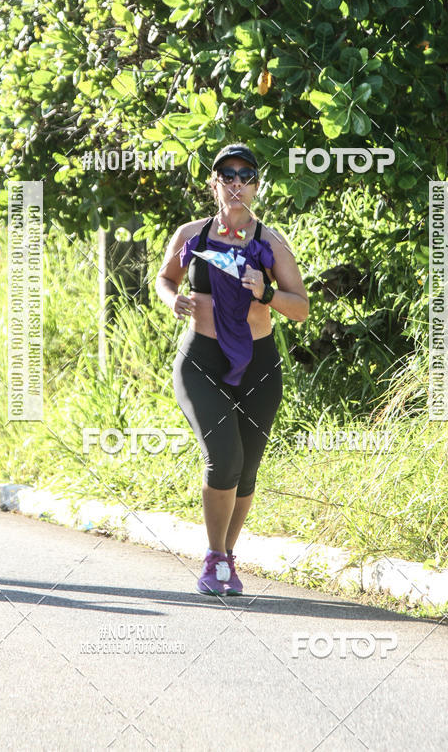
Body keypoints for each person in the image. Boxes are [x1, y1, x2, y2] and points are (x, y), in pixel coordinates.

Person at [155, 143, 309, 595]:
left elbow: (300, 309)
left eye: (246, 175)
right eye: (227, 175)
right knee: (223, 457)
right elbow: (165, 278)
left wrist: (265, 293)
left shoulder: (271, 242)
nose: (237, 183)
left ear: (256, 187)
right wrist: (173, 300)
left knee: (246, 469)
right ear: (214, 184)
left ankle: (227, 556)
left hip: (259, 365)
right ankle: (213, 556)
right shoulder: (192, 235)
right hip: (201, 360)